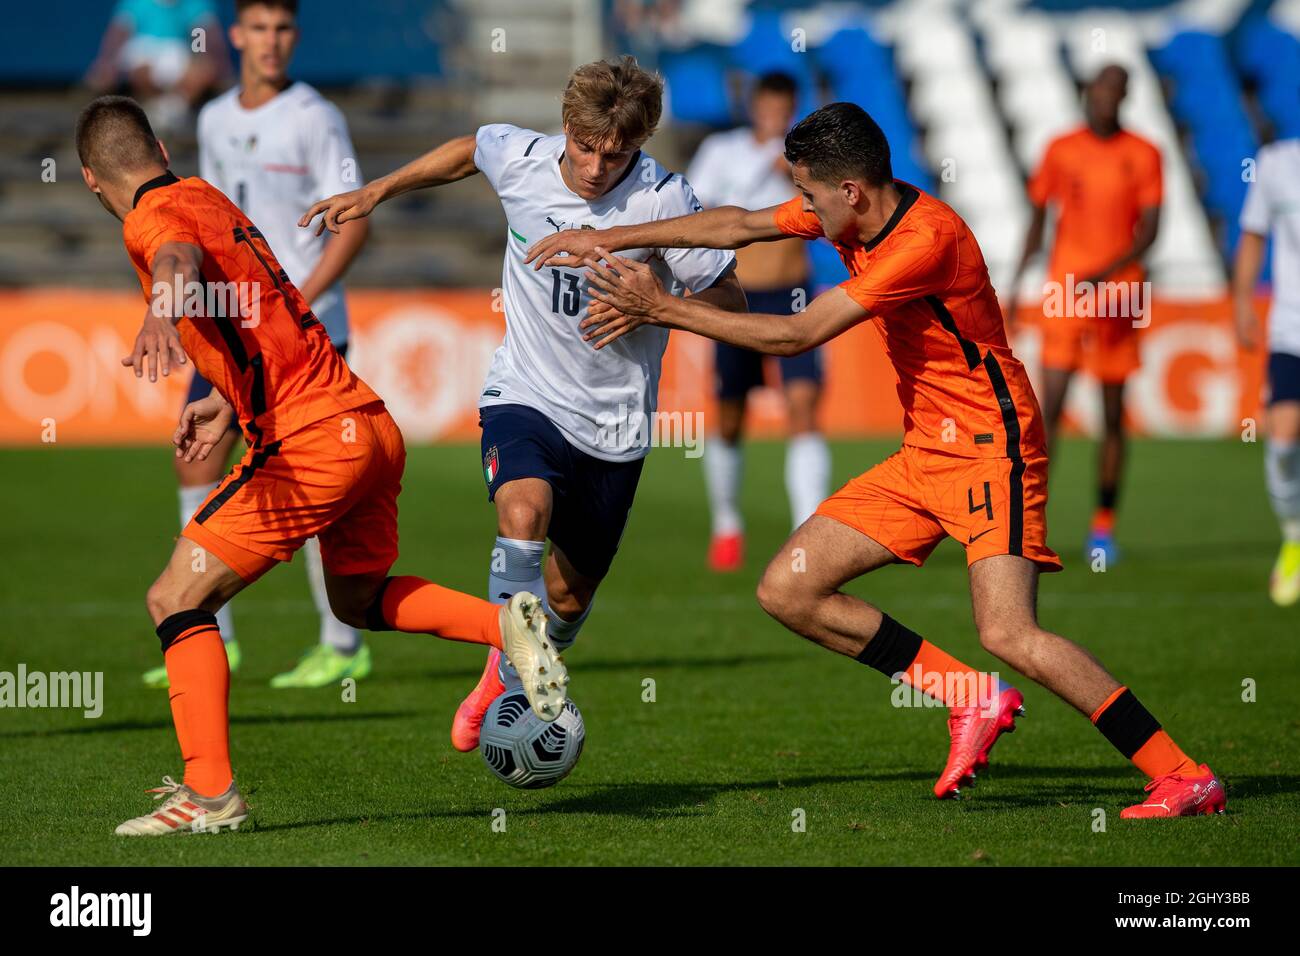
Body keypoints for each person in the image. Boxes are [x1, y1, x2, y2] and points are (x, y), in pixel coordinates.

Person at [530, 102, 1223, 818]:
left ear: (850, 192)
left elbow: (798, 334)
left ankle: (1181, 774)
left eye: (807, 195)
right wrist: (610, 234)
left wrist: (663, 308)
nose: (800, 208)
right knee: (788, 591)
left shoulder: (923, 243)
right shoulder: (853, 211)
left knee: (1009, 632)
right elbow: (736, 224)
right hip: (927, 449)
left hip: (994, 449)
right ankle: (969, 696)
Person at [76, 95, 565, 836]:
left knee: (175, 598)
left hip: (310, 442)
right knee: (358, 600)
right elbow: (255, 312)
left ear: (89, 179)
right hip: (365, 424)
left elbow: (174, 262)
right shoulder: (205, 194)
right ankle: (507, 627)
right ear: (164, 152)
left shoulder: (152, 222)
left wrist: (157, 312)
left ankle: (211, 796)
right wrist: (230, 402)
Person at [300, 57, 745, 753]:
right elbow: (469, 150)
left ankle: (495, 675)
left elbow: (730, 301)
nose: (599, 167)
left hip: (617, 422)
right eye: (587, 147)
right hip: (527, 393)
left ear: (642, 143)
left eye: (619, 153)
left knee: (568, 599)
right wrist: (378, 191)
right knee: (522, 511)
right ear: (566, 127)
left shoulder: (666, 200)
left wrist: (657, 307)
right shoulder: (523, 156)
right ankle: (517, 688)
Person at [141, 0, 374, 690]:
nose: (271, 42)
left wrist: (297, 304)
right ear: (235, 35)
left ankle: (342, 643)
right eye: (259, 29)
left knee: (311, 484)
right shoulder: (213, 119)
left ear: (294, 37)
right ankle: (213, 631)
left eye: (283, 29)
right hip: (238, 333)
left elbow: (353, 222)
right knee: (195, 460)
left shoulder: (314, 116)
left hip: (307, 335)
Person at [1005, 64, 1162, 564]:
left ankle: (1104, 526)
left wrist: (1107, 271)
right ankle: (1031, 523)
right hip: (1065, 293)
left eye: (1115, 92)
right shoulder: (1060, 148)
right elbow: (1037, 216)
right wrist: (1013, 279)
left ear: (1125, 97)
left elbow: (1151, 231)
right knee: (1047, 412)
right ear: (1088, 93)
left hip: (1120, 297)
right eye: (1100, 90)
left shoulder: (1144, 153)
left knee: (1112, 416)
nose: (1105, 100)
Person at [685, 71, 829, 571]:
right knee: (729, 416)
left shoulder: (810, 155)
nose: (774, 115)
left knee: (804, 406)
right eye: (767, 106)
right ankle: (727, 524)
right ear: (754, 106)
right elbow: (698, 210)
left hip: (793, 295)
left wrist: (793, 166)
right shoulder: (723, 150)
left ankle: (806, 533)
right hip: (738, 297)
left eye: (783, 107)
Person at [1233, 136, 1300, 606]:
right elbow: (1253, 236)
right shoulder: (1276, 163)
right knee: (1282, 441)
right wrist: (1241, 302)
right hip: (1291, 330)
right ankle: (1295, 538)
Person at [85, 0, 229, 133]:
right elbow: (120, 33)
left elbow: (200, 32)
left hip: (178, 53)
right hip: (142, 51)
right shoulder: (135, 3)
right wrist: (106, 62)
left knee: (201, 69)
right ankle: (158, 111)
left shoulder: (195, 4)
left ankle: (170, 109)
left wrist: (202, 59)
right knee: (140, 68)